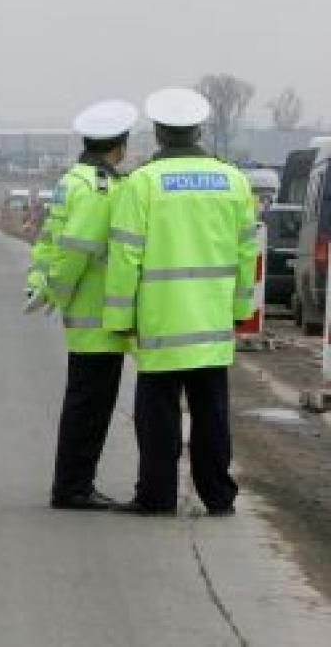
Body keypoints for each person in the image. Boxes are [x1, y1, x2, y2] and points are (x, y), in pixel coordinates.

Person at [104, 88, 258, 516]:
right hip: (211, 323)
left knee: (158, 417)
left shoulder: (143, 184)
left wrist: (120, 317)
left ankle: (157, 497)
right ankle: (218, 497)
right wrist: (240, 311)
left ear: (158, 133)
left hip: (161, 324)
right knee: (212, 417)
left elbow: (125, 255)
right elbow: (247, 253)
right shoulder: (233, 181)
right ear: (199, 131)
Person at [27, 100, 137, 510]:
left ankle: (73, 483)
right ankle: (73, 486)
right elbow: (77, 248)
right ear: (119, 147)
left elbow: (48, 240)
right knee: (91, 407)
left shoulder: (72, 181)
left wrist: (41, 283)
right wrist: (57, 291)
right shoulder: (98, 189)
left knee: (84, 403)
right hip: (98, 315)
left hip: (86, 315)